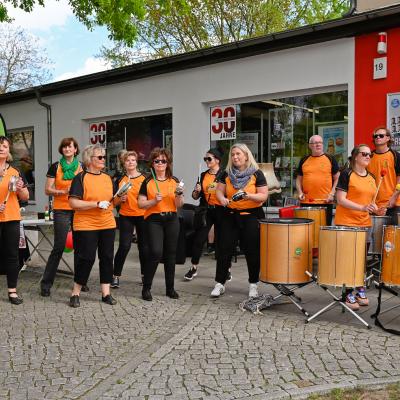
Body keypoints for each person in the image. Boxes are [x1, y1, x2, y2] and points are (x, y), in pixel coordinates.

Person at [68, 144, 120, 308]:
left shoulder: (107, 178)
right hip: (86, 224)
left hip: (107, 222)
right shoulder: (80, 178)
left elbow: (113, 201)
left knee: (106, 257)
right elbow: (73, 202)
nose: (103, 159)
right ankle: (75, 292)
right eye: (100, 157)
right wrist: (95, 204)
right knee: (87, 258)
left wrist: (121, 197)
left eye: (104, 156)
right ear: (89, 160)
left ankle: (106, 293)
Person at [214, 143, 268, 298]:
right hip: (230, 215)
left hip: (251, 216)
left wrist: (248, 195)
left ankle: (253, 285)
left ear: (246, 156)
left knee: (252, 251)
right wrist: (222, 198)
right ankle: (220, 283)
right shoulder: (226, 173)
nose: (235, 157)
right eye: (233, 154)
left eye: (238, 154)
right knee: (224, 250)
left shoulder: (257, 173)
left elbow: (263, 196)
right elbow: (219, 191)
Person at [335, 144, 385, 310]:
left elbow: (371, 203)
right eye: (364, 154)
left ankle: (359, 288)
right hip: (347, 223)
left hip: (365, 224)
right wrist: (362, 208)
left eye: (370, 154)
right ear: (356, 156)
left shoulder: (371, 177)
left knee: (361, 259)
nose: (368, 156)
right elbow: (341, 199)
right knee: (349, 259)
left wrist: (377, 209)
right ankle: (348, 292)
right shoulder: (346, 174)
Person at [138, 147, 184, 301]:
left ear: (167, 163)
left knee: (171, 254)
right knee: (156, 252)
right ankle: (146, 288)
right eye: (157, 160)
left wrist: (178, 195)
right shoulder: (148, 181)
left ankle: (170, 289)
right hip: (154, 219)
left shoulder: (174, 180)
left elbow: (179, 204)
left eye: (163, 161)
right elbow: (140, 204)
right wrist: (153, 201)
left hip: (171, 218)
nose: (160, 163)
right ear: (152, 163)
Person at [40, 137, 82, 297]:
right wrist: (62, 192)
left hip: (78, 209)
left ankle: (80, 282)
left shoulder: (81, 167)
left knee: (80, 247)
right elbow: (47, 190)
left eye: (70, 147)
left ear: (75, 149)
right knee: (58, 247)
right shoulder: (55, 167)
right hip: (61, 209)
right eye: (64, 147)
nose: (67, 149)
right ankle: (46, 284)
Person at [184, 147, 225, 281]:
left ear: (217, 160)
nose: (206, 161)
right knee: (199, 240)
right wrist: (196, 191)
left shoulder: (225, 175)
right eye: (205, 159)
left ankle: (226, 269)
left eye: (209, 158)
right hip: (205, 210)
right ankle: (193, 267)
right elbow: (195, 196)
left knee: (223, 241)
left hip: (221, 210)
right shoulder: (203, 175)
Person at [0, 136, 29, 304]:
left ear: (8, 150)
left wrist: (19, 189)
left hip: (11, 218)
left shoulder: (15, 172)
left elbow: (25, 196)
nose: (1, 148)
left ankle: (12, 292)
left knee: (12, 255)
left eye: (4, 146)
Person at [112, 150, 147, 288]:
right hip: (126, 215)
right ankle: (115, 276)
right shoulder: (120, 180)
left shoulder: (144, 179)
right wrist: (120, 199)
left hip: (142, 215)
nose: (130, 162)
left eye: (133, 160)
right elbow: (113, 201)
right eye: (128, 160)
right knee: (124, 246)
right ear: (124, 163)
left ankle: (145, 276)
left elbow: (149, 197)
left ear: (136, 162)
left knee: (143, 247)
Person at [296, 135, 340, 225]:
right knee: (306, 231)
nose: (318, 145)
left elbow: (337, 179)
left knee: (323, 231)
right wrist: (300, 192)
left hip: (325, 202)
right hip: (306, 202)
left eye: (320, 142)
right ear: (310, 145)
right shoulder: (304, 160)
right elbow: (298, 179)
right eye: (315, 143)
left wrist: (332, 194)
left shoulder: (330, 159)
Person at [368, 126, 400, 224]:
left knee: (392, 237)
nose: (378, 137)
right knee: (374, 238)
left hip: (393, 203)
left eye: (381, 135)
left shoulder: (395, 155)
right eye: (375, 136)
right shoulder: (369, 156)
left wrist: (395, 196)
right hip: (374, 205)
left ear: (388, 138)